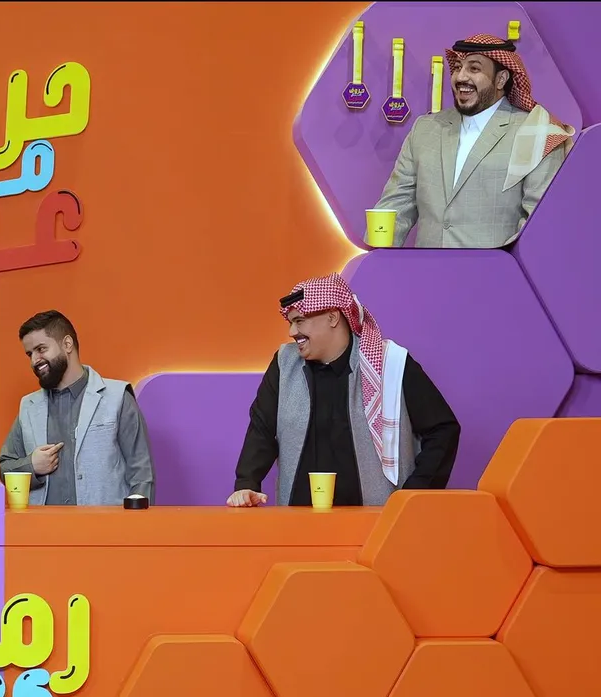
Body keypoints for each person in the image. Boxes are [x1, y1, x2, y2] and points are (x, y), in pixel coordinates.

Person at [228, 274, 461, 508]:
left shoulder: (390, 363)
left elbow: (443, 430)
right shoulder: (284, 364)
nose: (292, 331)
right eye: (291, 322)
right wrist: (247, 483)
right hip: (299, 519)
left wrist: (414, 494)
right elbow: (262, 429)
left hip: (378, 520)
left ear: (332, 317)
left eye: (299, 321)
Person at [370, 34, 574, 249]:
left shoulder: (537, 132)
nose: (461, 77)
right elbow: (396, 205)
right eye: (458, 67)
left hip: (495, 269)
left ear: (501, 79)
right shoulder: (425, 128)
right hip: (427, 267)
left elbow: (538, 225)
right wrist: (379, 259)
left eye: (474, 69)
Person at [0, 310, 155, 505]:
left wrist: (136, 521)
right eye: (30, 354)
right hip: (42, 524)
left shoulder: (118, 397)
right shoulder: (28, 407)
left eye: (41, 349)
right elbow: (6, 468)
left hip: (104, 524)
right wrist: (32, 466)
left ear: (67, 344)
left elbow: (142, 474)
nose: (34, 361)